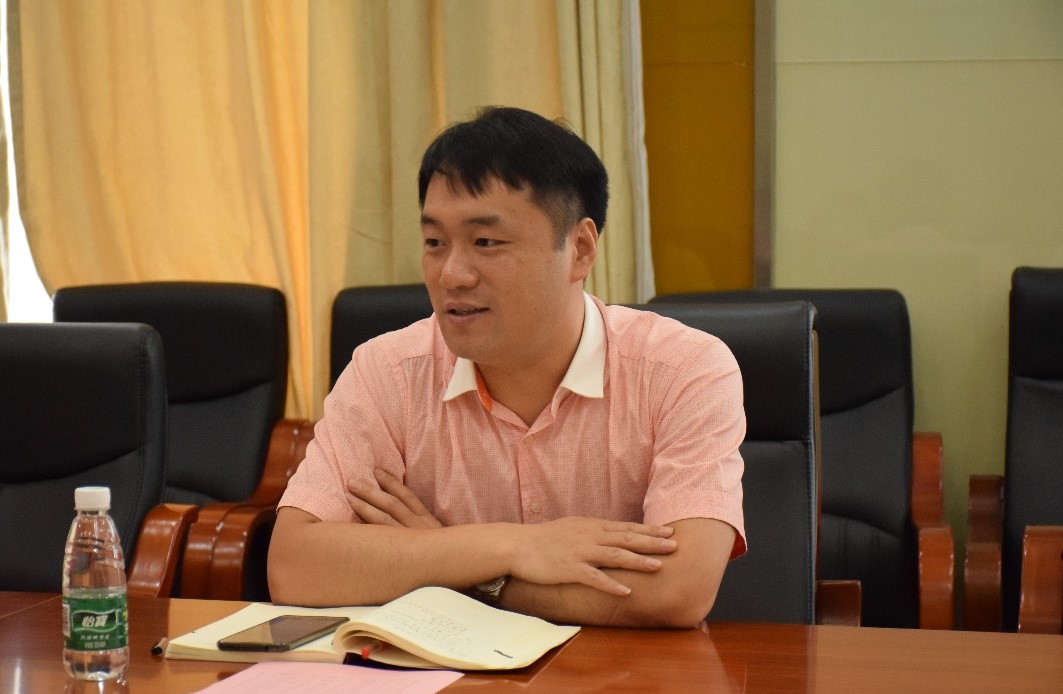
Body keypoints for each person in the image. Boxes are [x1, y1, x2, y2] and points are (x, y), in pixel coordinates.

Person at [268, 106, 745, 628]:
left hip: (624, 675)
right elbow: (295, 566)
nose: (452, 275)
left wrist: (448, 564)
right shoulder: (387, 371)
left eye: (486, 243)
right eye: (434, 243)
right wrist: (511, 547)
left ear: (580, 249)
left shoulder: (681, 370)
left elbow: (677, 591)